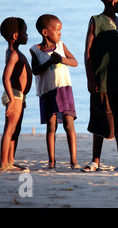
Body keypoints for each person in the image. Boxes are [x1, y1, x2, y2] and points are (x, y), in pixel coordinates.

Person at [82, 0, 118, 172]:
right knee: (100, 117)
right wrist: (90, 78)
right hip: (102, 79)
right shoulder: (96, 21)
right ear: (114, 2)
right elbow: (88, 51)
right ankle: (95, 160)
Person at [30, 14, 78, 169]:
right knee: (51, 127)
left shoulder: (61, 46)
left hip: (64, 89)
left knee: (69, 124)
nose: (60, 33)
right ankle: (51, 161)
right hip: (47, 92)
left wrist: (62, 60)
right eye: (57, 30)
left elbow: (75, 62)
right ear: (45, 32)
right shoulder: (35, 50)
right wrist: (49, 62)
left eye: (60, 30)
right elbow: (35, 71)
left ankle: (74, 161)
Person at [0, 17, 32, 171]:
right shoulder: (13, 54)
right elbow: (5, 77)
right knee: (10, 129)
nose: (27, 35)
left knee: (16, 130)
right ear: (15, 36)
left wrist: (21, 98)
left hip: (19, 96)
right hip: (14, 95)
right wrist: (12, 100)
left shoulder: (16, 52)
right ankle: (3, 164)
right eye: (25, 33)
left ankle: (10, 161)